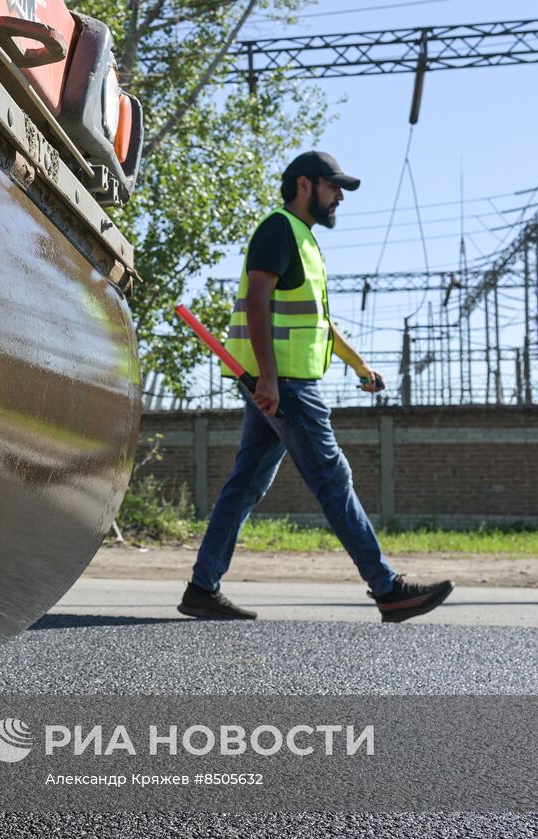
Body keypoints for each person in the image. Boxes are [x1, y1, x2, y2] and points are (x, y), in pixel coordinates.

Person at [179, 151, 454, 623]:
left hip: (284, 382)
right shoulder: (279, 228)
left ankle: (202, 588)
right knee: (333, 480)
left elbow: (319, 322)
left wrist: (358, 364)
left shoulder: (303, 239)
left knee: (244, 486)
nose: (340, 197)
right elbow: (257, 302)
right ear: (305, 185)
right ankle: (387, 588)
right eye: (334, 186)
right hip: (285, 385)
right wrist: (267, 378)